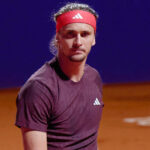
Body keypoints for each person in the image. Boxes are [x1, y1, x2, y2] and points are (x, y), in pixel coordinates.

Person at [15, 2, 104, 150]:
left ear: (93, 39)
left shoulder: (93, 78)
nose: (78, 42)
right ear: (58, 38)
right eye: (70, 34)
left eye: (85, 34)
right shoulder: (39, 89)